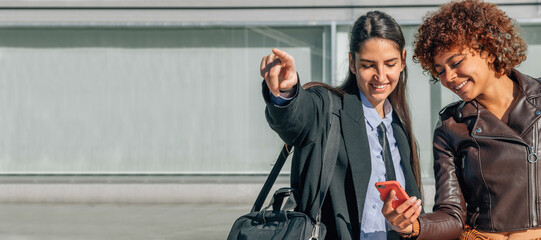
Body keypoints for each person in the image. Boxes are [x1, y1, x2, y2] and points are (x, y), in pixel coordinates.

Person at [383, 0, 541, 239]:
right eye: (440, 71)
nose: (449, 77)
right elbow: (452, 213)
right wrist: (413, 226)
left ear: (487, 48)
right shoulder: (451, 125)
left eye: (456, 63)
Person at [260, 11, 423, 240]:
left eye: (390, 63)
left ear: (403, 60)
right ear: (352, 64)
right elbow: (295, 117)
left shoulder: (400, 131)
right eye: (368, 65)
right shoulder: (327, 108)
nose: (381, 75)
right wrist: (286, 92)